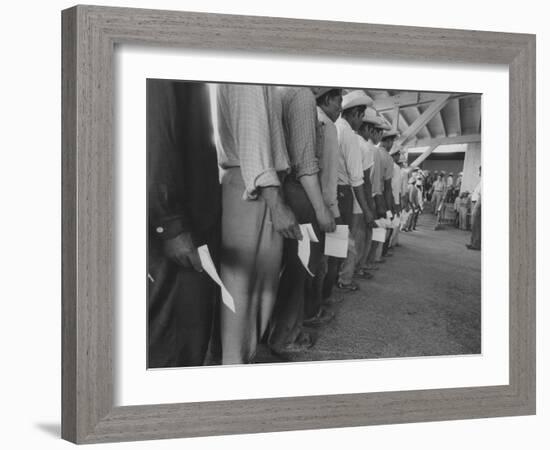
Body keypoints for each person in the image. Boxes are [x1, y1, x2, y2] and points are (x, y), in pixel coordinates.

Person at [215, 84, 302, 364]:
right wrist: (276, 203)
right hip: (252, 186)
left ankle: (242, 359)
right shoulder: (248, 75)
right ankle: (234, 366)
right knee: (242, 290)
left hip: (259, 183)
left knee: (257, 288)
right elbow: (252, 139)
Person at [147, 79, 222, 368]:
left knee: (190, 331)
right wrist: (171, 224)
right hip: (179, 229)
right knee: (176, 339)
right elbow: (156, 136)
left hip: (190, 220)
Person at [268, 86, 336, 352]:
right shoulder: (302, 95)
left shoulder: (279, 91)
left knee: (285, 266)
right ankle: (286, 335)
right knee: (301, 266)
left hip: (282, 187)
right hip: (299, 191)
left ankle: (275, 330)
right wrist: (321, 208)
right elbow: (306, 163)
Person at [335, 91, 376, 292]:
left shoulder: (334, 127)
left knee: (335, 238)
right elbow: (358, 179)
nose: (360, 122)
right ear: (355, 115)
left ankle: (335, 279)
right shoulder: (349, 135)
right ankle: (344, 280)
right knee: (348, 239)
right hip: (343, 192)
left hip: (330, 189)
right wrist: (367, 210)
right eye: (360, 116)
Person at [467, 166, 482, 250]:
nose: (478, 172)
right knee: (475, 225)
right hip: (477, 203)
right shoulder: (481, 181)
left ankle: (475, 244)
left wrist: (476, 207)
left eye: (479, 171)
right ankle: (473, 243)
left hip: (478, 204)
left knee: (476, 225)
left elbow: (481, 196)